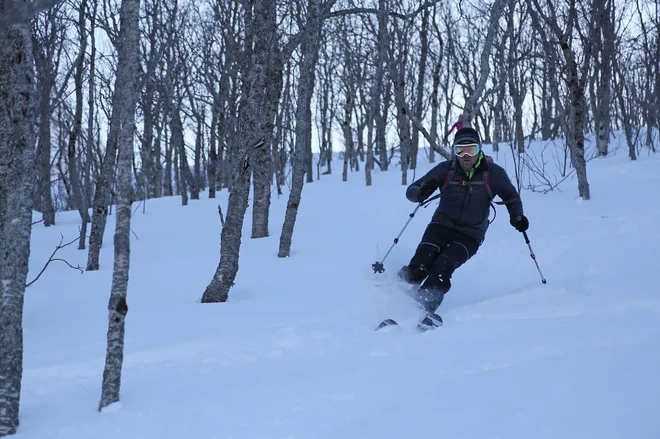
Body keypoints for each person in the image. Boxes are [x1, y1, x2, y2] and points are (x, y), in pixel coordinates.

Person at [398, 127, 528, 328]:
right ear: (454, 152)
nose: (466, 156)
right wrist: (418, 192)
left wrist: (517, 217)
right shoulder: (446, 169)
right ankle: (394, 296)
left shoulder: (494, 174)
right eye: (460, 150)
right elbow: (413, 189)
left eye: (471, 149)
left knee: (443, 266)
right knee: (420, 264)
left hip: (469, 235)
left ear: (479, 150)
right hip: (439, 227)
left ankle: (422, 309)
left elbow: (511, 197)